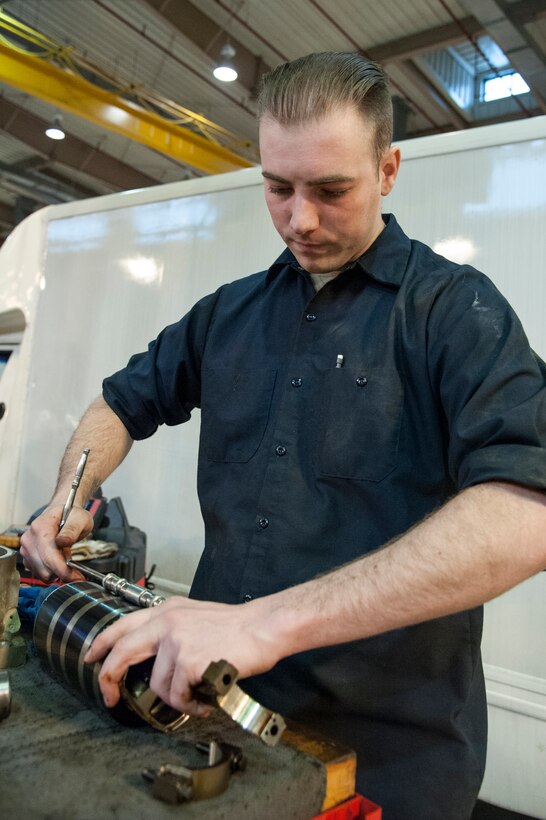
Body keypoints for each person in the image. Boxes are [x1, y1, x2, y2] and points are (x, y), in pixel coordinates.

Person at [21, 52, 546, 819]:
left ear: (389, 169)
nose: (300, 219)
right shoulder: (226, 316)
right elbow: (116, 407)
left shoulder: (455, 314)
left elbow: (527, 507)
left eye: (331, 190)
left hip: (389, 763)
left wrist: (266, 622)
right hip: (208, 726)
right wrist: (70, 497)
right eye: (278, 187)